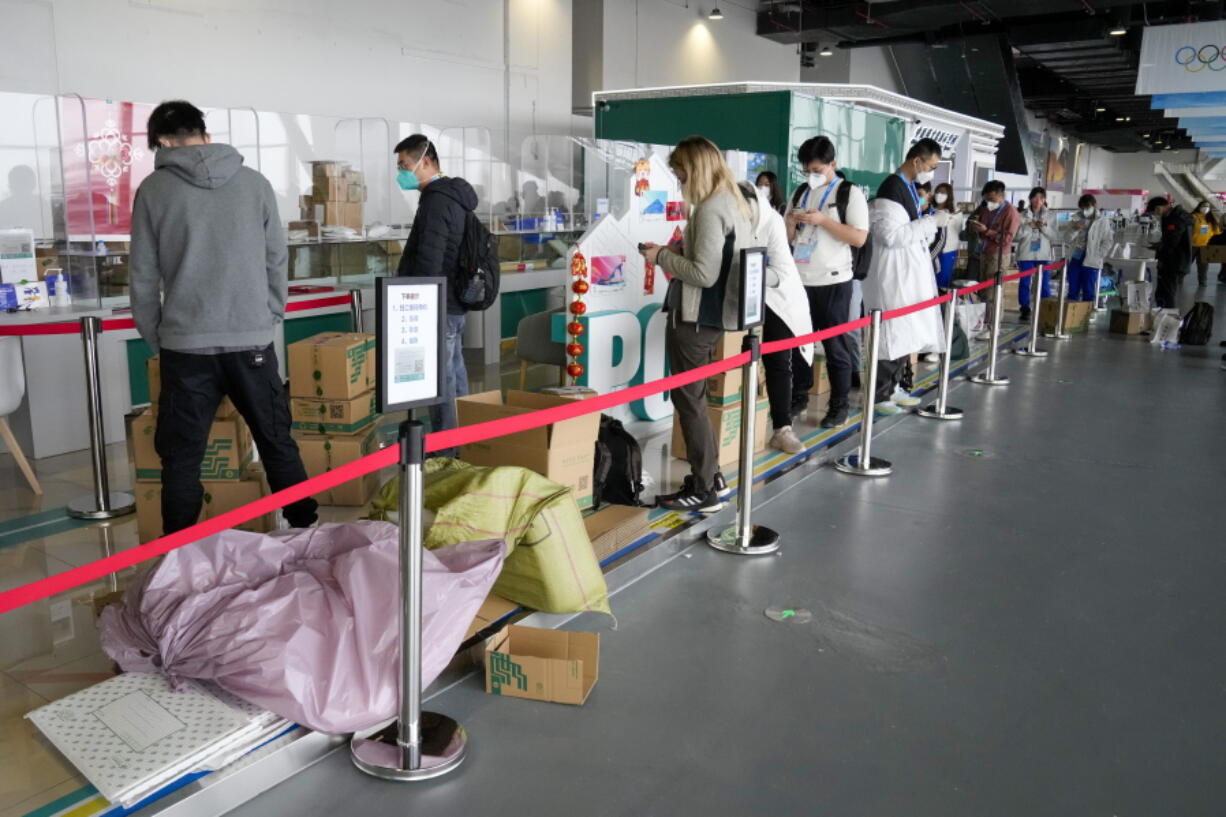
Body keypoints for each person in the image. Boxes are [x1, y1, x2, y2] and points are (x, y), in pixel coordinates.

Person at [129, 100, 317, 535]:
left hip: (184, 344)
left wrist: (158, 335)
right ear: (205, 135)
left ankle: (177, 553)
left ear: (159, 141)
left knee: (181, 456)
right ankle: (306, 531)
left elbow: (142, 275)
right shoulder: (255, 183)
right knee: (275, 441)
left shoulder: (154, 191)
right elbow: (276, 257)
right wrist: (268, 313)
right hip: (251, 340)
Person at [639, 136, 752, 513]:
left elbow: (704, 275)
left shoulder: (708, 209)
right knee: (695, 400)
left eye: (679, 171)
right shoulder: (733, 201)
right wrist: (678, 252)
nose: (678, 179)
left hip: (696, 319)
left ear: (694, 168)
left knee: (690, 403)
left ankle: (705, 488)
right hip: (714, 318)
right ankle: (712, 475)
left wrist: (660, 258)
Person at [393, 134, 479, 453]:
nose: (400, 172)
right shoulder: (454, 196)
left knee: (438, 382)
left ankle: (445, 452)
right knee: (454, 374)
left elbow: (430, 257)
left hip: (437, 303)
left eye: (404, 165)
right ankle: (461, 445)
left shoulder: (436, 200)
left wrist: (418, 304)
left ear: (425, 162)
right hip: (454, 301)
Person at [785, 136, 870, 429]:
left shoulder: (849, 193)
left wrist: (823, 221)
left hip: (834, 281)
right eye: (807, 170)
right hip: (800, 281)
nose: (812, 175)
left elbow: (859, 237)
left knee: (836, 348)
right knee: (799, 345)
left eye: (818, 169)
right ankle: (799, 396)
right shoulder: (799, 192)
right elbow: (788, 238)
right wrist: (792, 224)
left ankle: (839, 405)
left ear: (832, 164)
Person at [863, 138, 947, 416]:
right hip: (891, 274)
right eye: (931, 166)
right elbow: (890, 236)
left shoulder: (909, 187)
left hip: (907, 274)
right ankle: (879, 393)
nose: (931, 172)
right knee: (891, 332)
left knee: (905, 331)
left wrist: (928, 224)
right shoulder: (891, 187)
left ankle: (894, 385)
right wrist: (929, 223)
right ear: (917, 162)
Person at [735, 181, 814, 454]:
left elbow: (779, 271)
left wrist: (750, 270)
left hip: (777, 298)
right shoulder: (729, 218)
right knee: (735, 361)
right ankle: (736, 430)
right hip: (740, 296)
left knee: (778, 362)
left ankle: (782, 429)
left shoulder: (772, 222)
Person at [1013, 187, 1057, 321]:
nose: (1038, 201)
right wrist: (1028, 227)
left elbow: (1054, 236)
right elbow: (1015, 237)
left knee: (1044, 283)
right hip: (1026, 254)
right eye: (1035, 197)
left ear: (1044, 200)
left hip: (1043, 255)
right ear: (1030, 199)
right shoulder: (1021, 216)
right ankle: (1025, 308)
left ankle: (1045, 307)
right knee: (1025, 282)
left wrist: (1043, 226)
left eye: (1041, 198)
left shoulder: (1051, 216)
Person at [1066, 194, 1115, 303]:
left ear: (1094, 205)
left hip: (1092, 259)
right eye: (1082, 208)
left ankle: (1086, 315)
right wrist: (1075, 229)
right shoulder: (1075, 218)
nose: (1085, 210)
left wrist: (1099, 254)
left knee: (1088, 290)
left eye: (1087, 207)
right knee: (1073, 288)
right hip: (1076, 257)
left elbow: (1108, 240)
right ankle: (1070, 315)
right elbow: (1066, 239)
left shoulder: (1102, 220)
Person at [1146, 196, 1193, 309]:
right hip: (1173, 260)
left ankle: (1169, 320)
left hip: (1174, 262)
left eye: (1156, 211)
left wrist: (1159, 248)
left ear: (1160, 207)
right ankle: (1164, 317)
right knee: (1162, 293)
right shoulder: (1172, 216)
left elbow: (1172, 242)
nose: (1157, 214)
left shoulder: (1176, 219)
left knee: (1167, 294)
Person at [930, 182, 964, 291]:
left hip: (947, 250)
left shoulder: (956, 212)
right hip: (930, 249)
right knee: (930, 280)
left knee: (942, 281)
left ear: (949, 195)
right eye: (937, 191)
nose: (939, 194)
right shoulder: (931, 208)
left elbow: (957, 230)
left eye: (943, 192)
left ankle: (942, 306)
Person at [1190, 200, 1221, 286]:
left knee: (1203, 267)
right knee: (1185, 265)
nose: (1206, 208)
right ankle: (1178, 279)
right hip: (1192, 245)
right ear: (1199, 207)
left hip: (1205, 246)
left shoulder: (1211, 219)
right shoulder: (1193, 217)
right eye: (1204, 206)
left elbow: (1217, 232)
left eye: (1208, 206)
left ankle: (1202, 282)